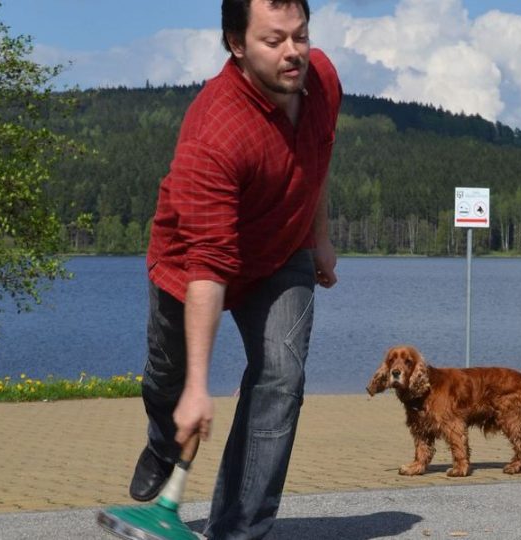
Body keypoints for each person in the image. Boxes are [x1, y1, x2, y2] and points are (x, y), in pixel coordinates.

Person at [128, 0, 341, 538]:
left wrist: (320, 238)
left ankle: (238, 530)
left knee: (280, 378)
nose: (293, 52)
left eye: (300, 35)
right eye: (274, 41)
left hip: (284, 256)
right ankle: (161, 442)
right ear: (236, 44)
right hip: (191, 266)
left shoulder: (322, 80)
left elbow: (319, 157)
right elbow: (209, 266)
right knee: (169, 383)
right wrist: (199, 387)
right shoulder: (216, 130)